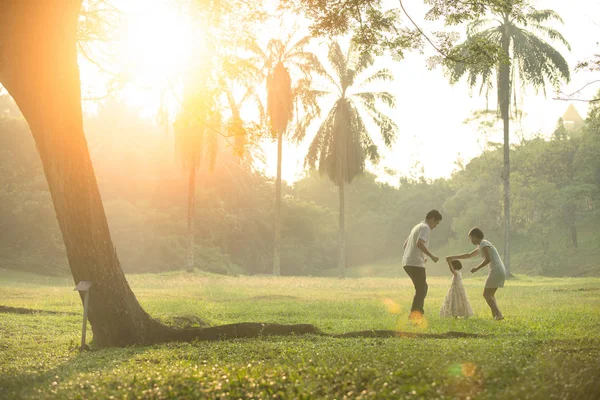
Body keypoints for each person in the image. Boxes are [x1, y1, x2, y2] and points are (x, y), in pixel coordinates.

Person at [446, 228, 506, 320]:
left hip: (496, 270)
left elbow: (488, 259)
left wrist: (476, 268)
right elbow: (468, 255)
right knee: (490, 294)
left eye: (471, 238)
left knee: (486, 294)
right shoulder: (481, 245)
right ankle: (496, 315)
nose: (471, 241)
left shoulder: (484, 244)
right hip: (499, 269)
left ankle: (498, 314)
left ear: (474, 236)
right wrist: (452, 257)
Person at [402, 209, 442, 321]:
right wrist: (432, 256)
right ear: (432, 218)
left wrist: (420, 257)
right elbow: (419, 243)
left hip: (407, 262)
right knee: (421, 289)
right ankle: (415, 314)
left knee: (423, 287)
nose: (435, 226)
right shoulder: (425, 228)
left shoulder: (417, 226)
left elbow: (405, 245)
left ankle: (418, 312)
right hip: (414, 263)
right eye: (436, 223)